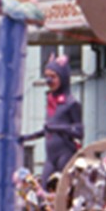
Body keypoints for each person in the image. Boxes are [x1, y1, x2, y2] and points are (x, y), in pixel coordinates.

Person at [21, 55, 84, 189]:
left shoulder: (71, 103)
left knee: (63, 189)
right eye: (47, 76)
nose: (49, 80)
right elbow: (47, 129)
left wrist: (58, 128)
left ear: (63, 78)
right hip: (51, 156)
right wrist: (28, 137)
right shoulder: (51, 102)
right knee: (43, 189)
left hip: (65, 153)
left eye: (53, 76)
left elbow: (79, 132)